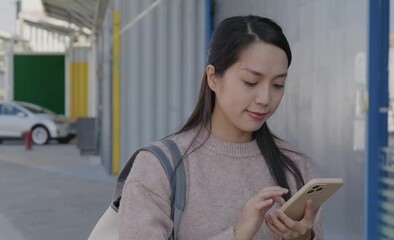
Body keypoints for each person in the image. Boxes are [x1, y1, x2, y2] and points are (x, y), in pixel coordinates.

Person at [118, 15, 323, 240]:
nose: (265, 98)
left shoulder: (294, 165)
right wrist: (236, 234)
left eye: (278, 85)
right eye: (251, 82)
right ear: (213, 78)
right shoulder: (160, 166)